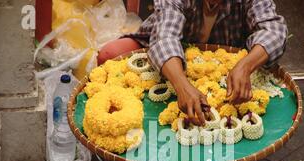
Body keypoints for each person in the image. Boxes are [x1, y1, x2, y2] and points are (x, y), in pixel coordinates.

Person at [98, 0, 287, 125]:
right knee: (109, 54)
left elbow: (275, 32)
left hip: (222, 59)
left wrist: (245, 66)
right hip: (166, 52)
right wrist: (182, 85)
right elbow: (164, 38)